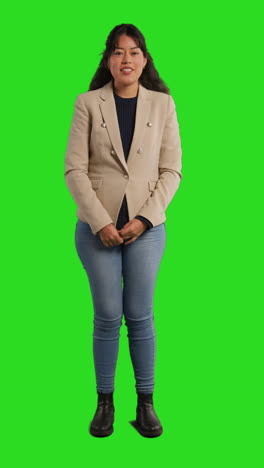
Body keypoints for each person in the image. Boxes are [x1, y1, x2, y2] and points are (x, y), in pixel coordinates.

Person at [64, 23, 182, 438]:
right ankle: (104, 402)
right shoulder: (87, 103)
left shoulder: (163, 105)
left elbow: (172, 171)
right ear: (108, 60)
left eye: (133, 52)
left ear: (144, 59)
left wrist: (143, 220)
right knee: (107, 315)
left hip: (146, 228)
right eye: (117, 52)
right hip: (97, 229)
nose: (126, 59)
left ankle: (146, 403)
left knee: (140, 314)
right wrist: (100, 222)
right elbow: (74, 169)